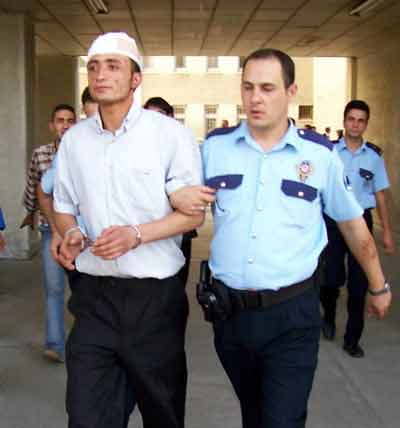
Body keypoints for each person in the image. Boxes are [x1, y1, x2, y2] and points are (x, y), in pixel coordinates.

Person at [170, 49, 391, 428]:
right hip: (230, 315)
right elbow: (180, 204)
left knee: (282, 419)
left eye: (267, 88)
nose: (255, 98)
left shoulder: (319, 155)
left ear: (291, 91)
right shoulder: (215, 149)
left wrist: (378, 284)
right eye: (248, 87)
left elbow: (353, 225)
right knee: (254, 413)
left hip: (292, 314)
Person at [53, 32, 203, 428]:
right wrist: (70, 233)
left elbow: (192, 216)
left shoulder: (169, 135)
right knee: (86, 416)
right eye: (94, 66)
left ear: (136, 79)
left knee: (162, 412)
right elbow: (64, 206)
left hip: (154, 301)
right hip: (93, 297)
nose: (100, 74)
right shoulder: (75, 140)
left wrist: (135, 235)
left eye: (113, 66)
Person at [320, 100, 395, 357]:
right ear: (344, 121)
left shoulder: (373, 157)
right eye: (351, 119)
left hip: (361, 220)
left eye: (361, 120)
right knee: (330, 279)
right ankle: (328, 317)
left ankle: (352, 339)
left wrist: (387, 231)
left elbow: (380, 194)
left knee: (359, 284)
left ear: (366, 124)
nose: (355, 124)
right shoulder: (329, 152)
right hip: (332, 221)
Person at [22, 104, 76, 363]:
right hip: (49, 228)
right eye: (60, 120)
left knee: (83, 289)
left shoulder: (82, 152)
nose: (65, 125)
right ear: (52, 125)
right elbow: (33, 186)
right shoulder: (40, 154)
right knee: (54, 288)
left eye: (70, 120)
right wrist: (30, 211)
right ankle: (55, 344)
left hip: (78, 232)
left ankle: (85, 343)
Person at [143, 96, 198, 287]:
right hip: (149, 228)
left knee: (177, 283)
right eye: (150, 115)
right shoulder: (137, 147)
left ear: (171, 117)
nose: (155, 121)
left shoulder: (182, 142)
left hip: (180, 225)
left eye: (160, 115)